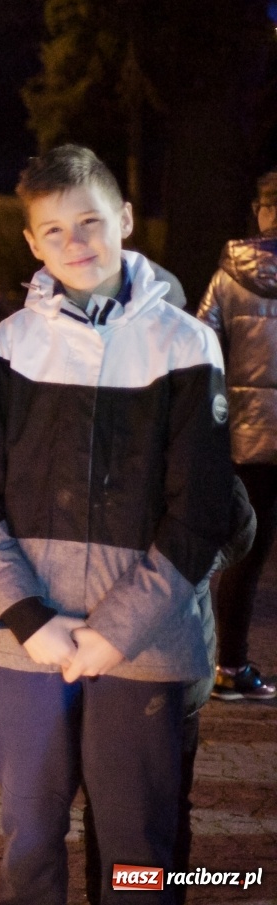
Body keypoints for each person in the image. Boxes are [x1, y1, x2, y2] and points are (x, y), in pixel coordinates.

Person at [0, 145, 238, 904]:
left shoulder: (185, 341)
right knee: (27, 837)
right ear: (31, 244)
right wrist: (28, 619)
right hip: (31, 649)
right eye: (53, 230)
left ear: (123, 217)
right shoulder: (12, 342)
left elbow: (203, 512)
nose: (75, 241)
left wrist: (113, 632)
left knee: (139, 853)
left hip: (145, 649)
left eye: (89, 220)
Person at [195, 167, 277, 701]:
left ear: (260, 210)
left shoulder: (230, 275)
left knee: (245, 556)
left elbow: (198, 343)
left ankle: (228, 667)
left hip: (247, 441)